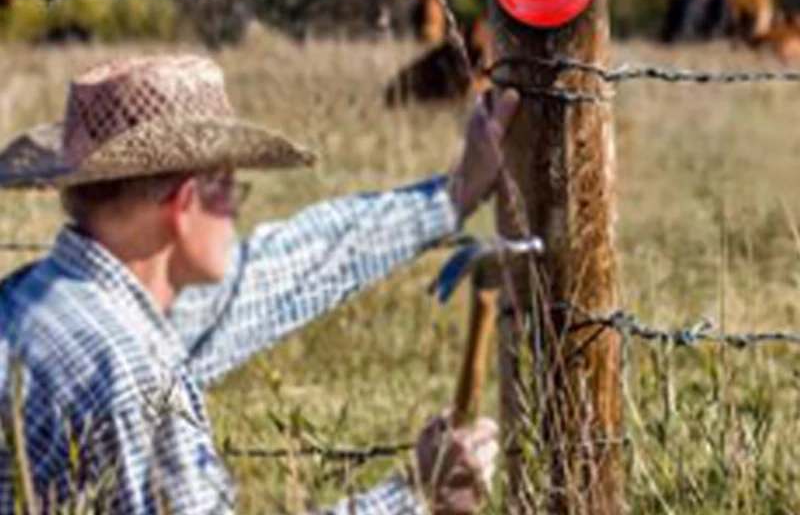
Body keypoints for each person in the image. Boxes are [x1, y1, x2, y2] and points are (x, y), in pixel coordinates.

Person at [0, 54, 519, 514]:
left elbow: (281, 272)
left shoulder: (31, 302)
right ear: (186, 204)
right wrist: (413, 497)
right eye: (232, 189)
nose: (237, 216)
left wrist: (450, 197)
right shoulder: (136, 374)